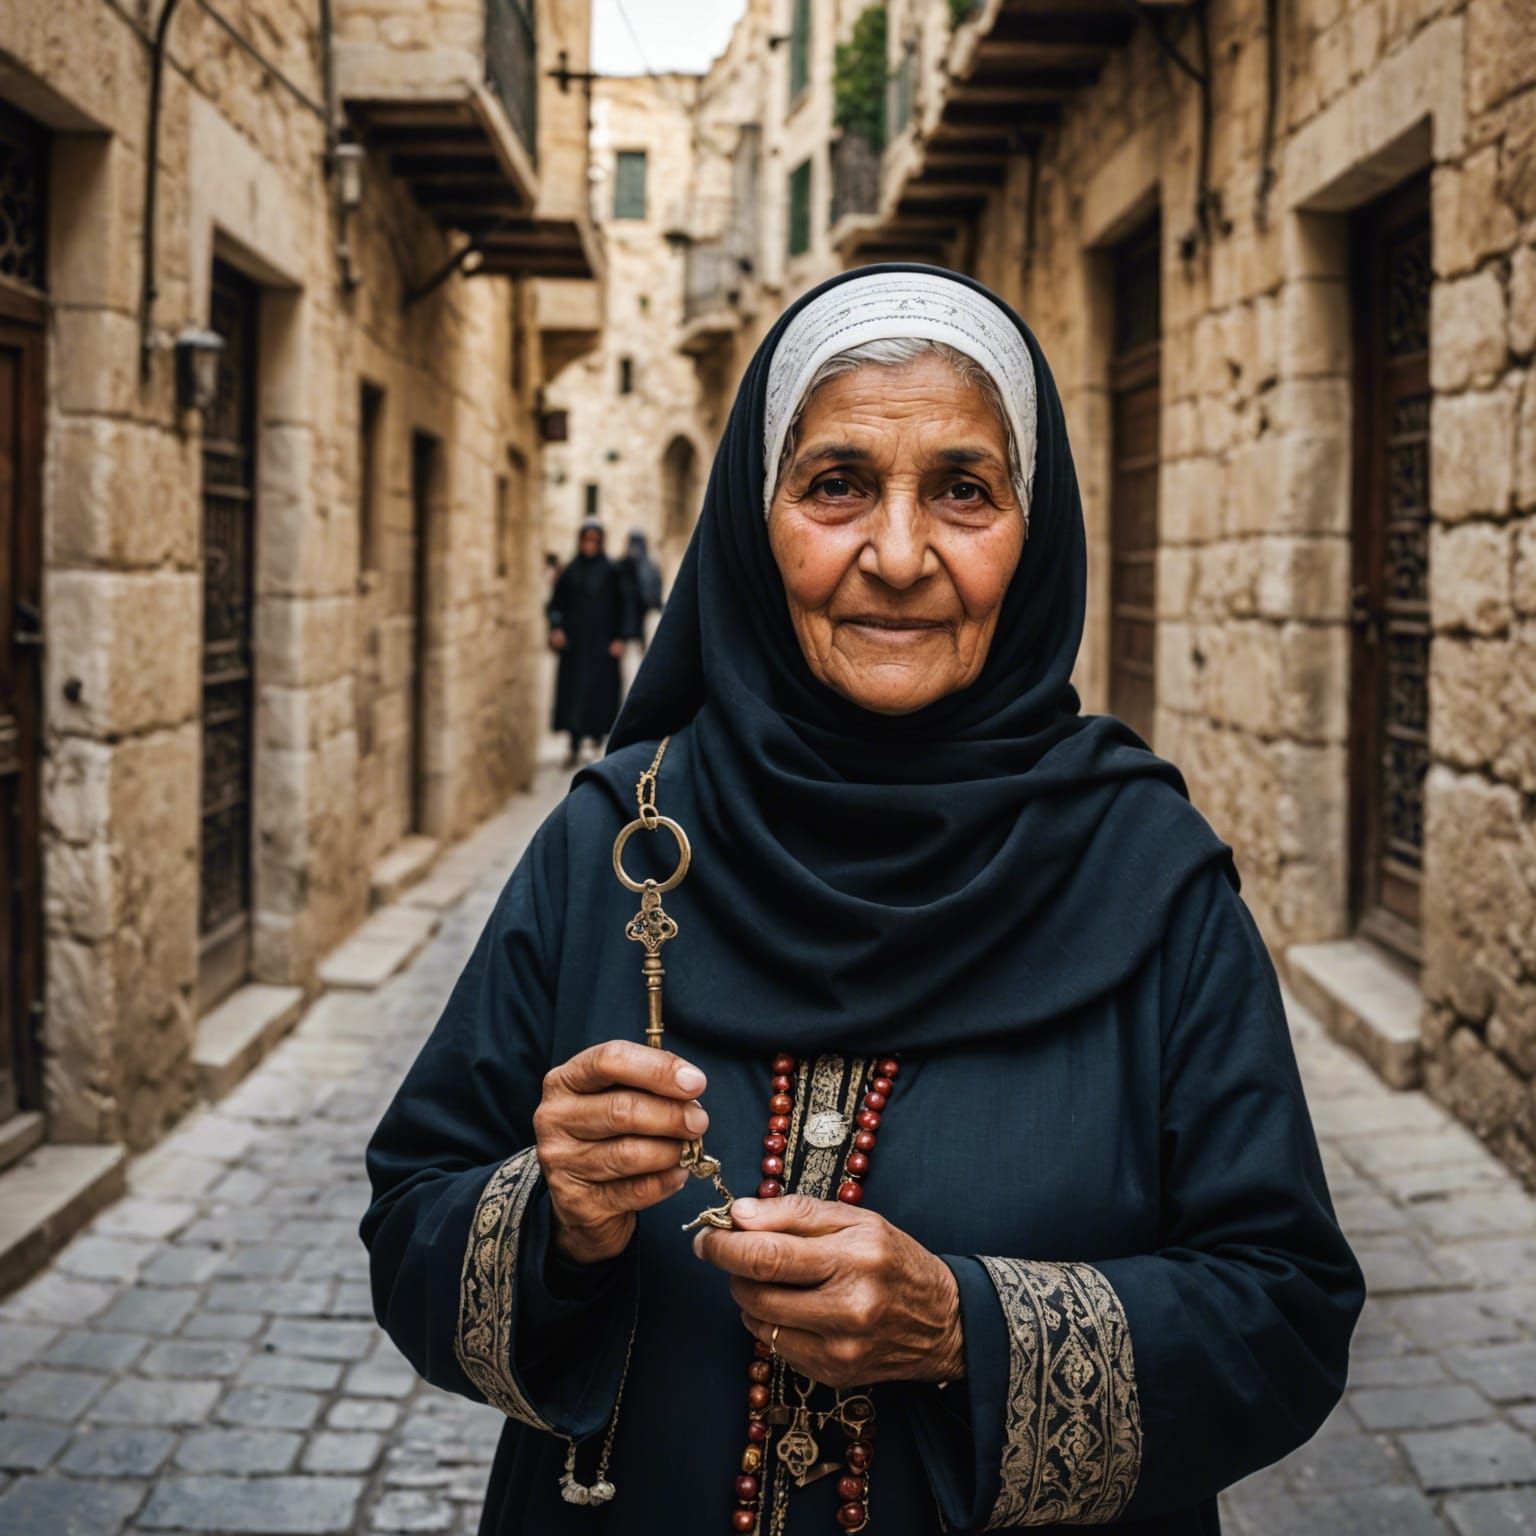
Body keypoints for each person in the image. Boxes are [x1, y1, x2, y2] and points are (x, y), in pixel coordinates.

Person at [362, 267, 1363, 1535]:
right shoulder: (614, 843)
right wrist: (556, 1220)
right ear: (754, 518)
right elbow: (411, 1219)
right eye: (836, 486)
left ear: (1033, 530)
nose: (897, 556)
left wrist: (963, 1326)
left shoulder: (1152, 875)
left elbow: (1283, 1312)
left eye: (963, 489)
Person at [547, 521, 626, 767]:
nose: (589, 545)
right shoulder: (571, 571)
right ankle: (573, 743)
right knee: (574, 695)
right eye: (586, 540)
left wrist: (620, 637)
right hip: (576, 646)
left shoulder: (611, 570)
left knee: (600, 695)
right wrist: (556, 628)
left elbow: (623, 605)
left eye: (594, 540)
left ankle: (596, 740)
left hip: (602, 646)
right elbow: (555, 605)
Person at [618, 529, 665, 652]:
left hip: (645, 619)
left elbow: (653, 595)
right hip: (624, 623)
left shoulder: (650, 567)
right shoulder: (621, 566)